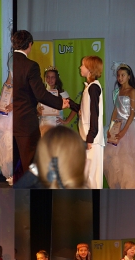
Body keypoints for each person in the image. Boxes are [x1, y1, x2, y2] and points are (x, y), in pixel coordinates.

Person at [13, 30, 71, 177]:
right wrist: (60, 103)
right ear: (30, 45)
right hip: (26, 121)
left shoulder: (10, 61)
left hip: (11, 119)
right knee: (32, 163)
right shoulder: (30, 65)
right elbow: (40, 94)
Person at [78, 55, 104, 188]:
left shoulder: (94, 88)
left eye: (83, 65)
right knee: (88, 175)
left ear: (90, 69)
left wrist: (90, 137)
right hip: (88, 137)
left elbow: (95, 114)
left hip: (92, 140)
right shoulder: (90, 87)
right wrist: (69, 103)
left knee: (93, 177)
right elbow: (85, 110)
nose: (80, 67)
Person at [38, 67, 73, 134]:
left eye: (53, 77)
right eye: (48, 77)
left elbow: (74, 107)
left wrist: (66, 121)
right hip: (43, 126)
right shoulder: (41, 92)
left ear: (56, 78)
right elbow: (36, 111)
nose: (50, 79)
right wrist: (38, 112)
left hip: (56, 127)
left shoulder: (61, 92)